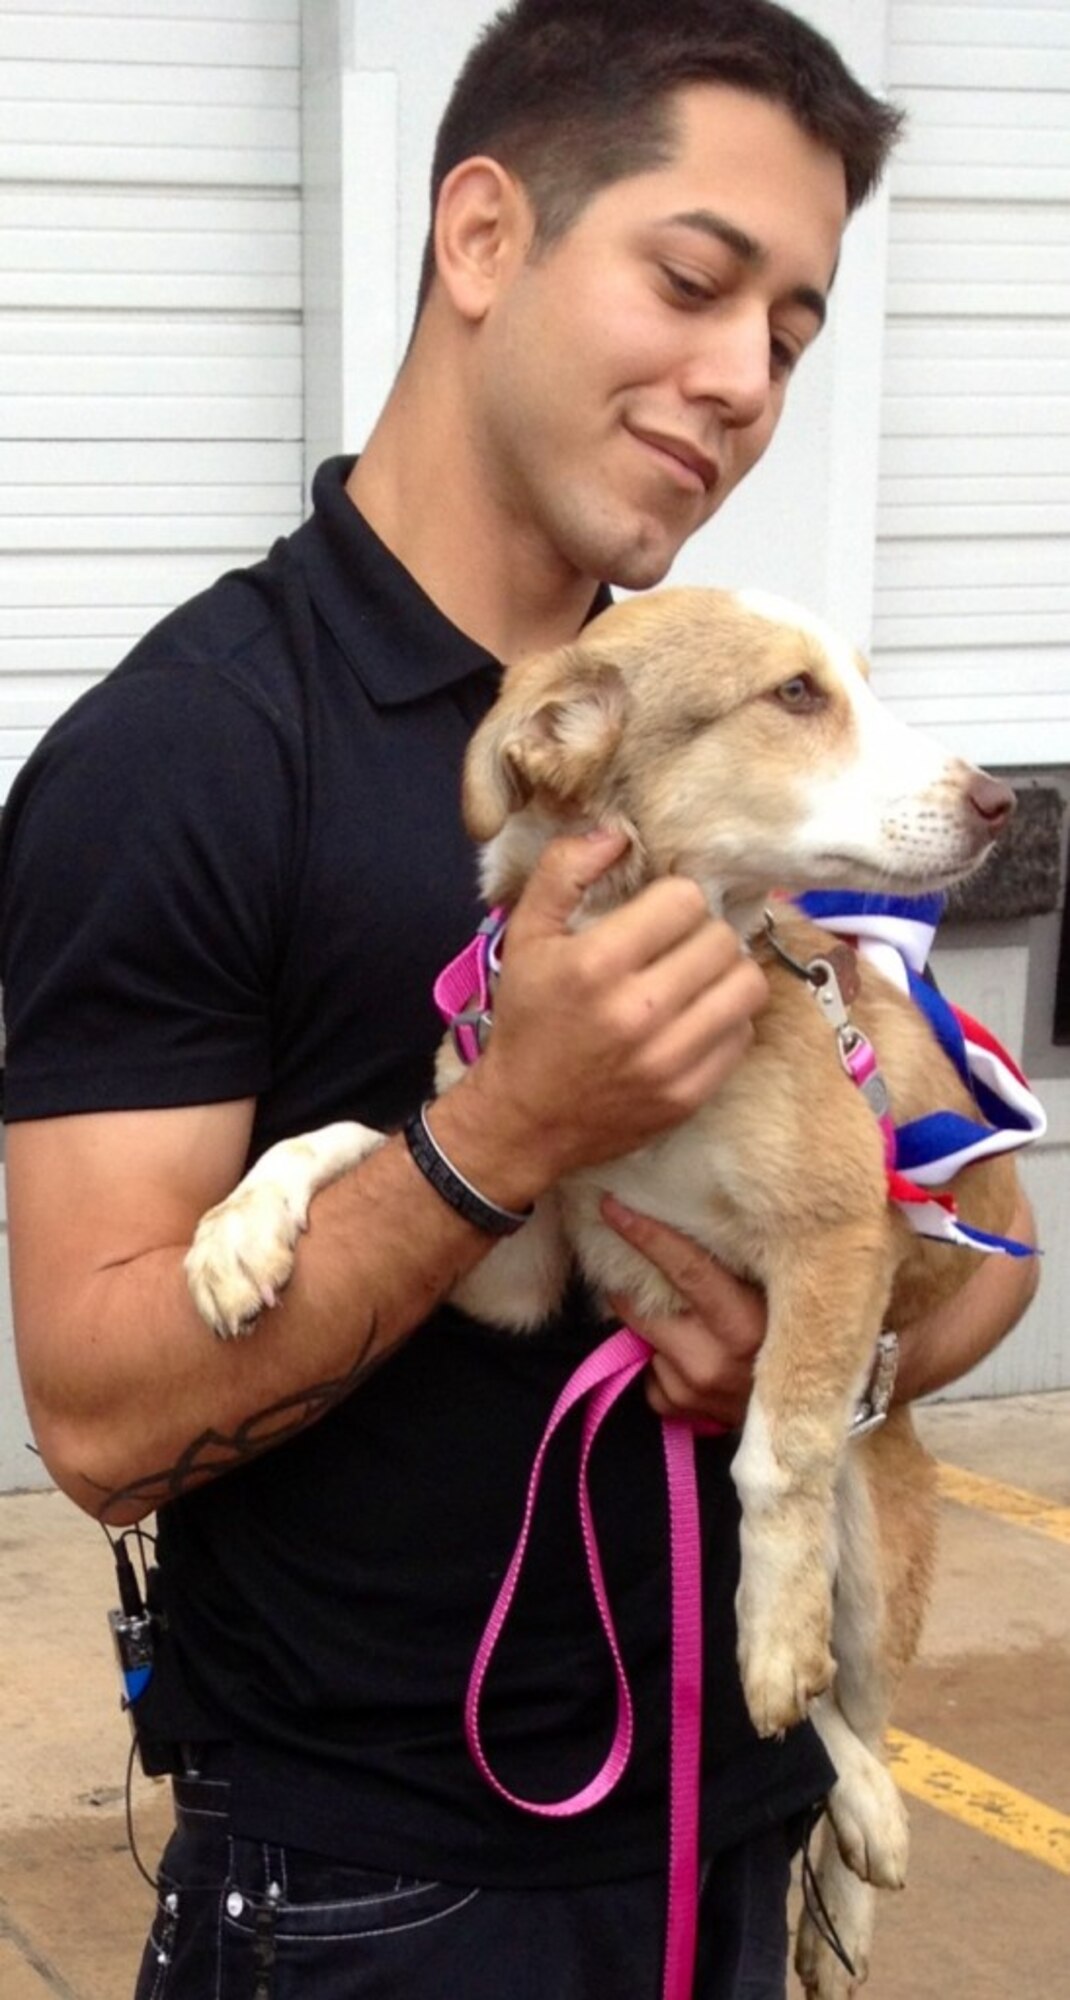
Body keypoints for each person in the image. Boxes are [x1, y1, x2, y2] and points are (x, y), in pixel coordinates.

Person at [0, 2, 1038, 1995]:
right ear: (481, 238)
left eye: (794, 332)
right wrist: (499, 1135)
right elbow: (102, 1420)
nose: (742, 380)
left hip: (733, 1851)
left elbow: (986, 1242)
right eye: (692, 280)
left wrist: (825, 1362)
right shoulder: (194, 754)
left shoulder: (735, 728)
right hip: (383, 1900)